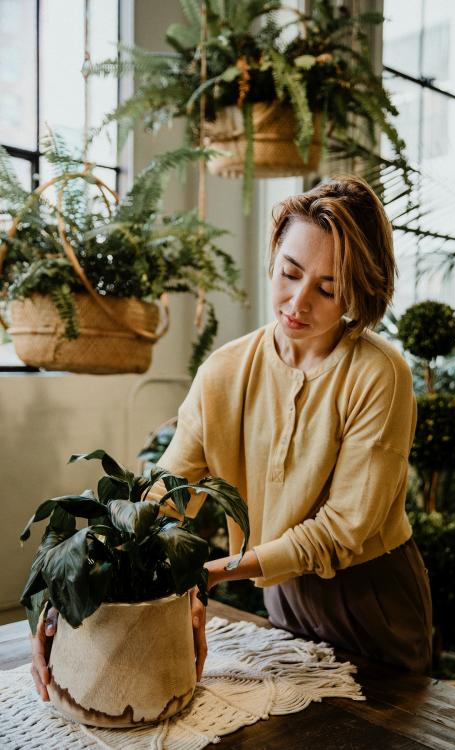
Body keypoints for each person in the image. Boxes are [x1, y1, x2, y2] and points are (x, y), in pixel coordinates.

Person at [31, 176, 432, 700]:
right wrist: (74, 579)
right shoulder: (224, 371)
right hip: (282, 594)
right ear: (273, 258)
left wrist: (210, 573)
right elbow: (161, 498)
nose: (297, 301)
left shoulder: (380, 375)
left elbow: (343, 529)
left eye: (328, 288)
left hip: (371, 600)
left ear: (359, 292)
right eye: (289, 273)